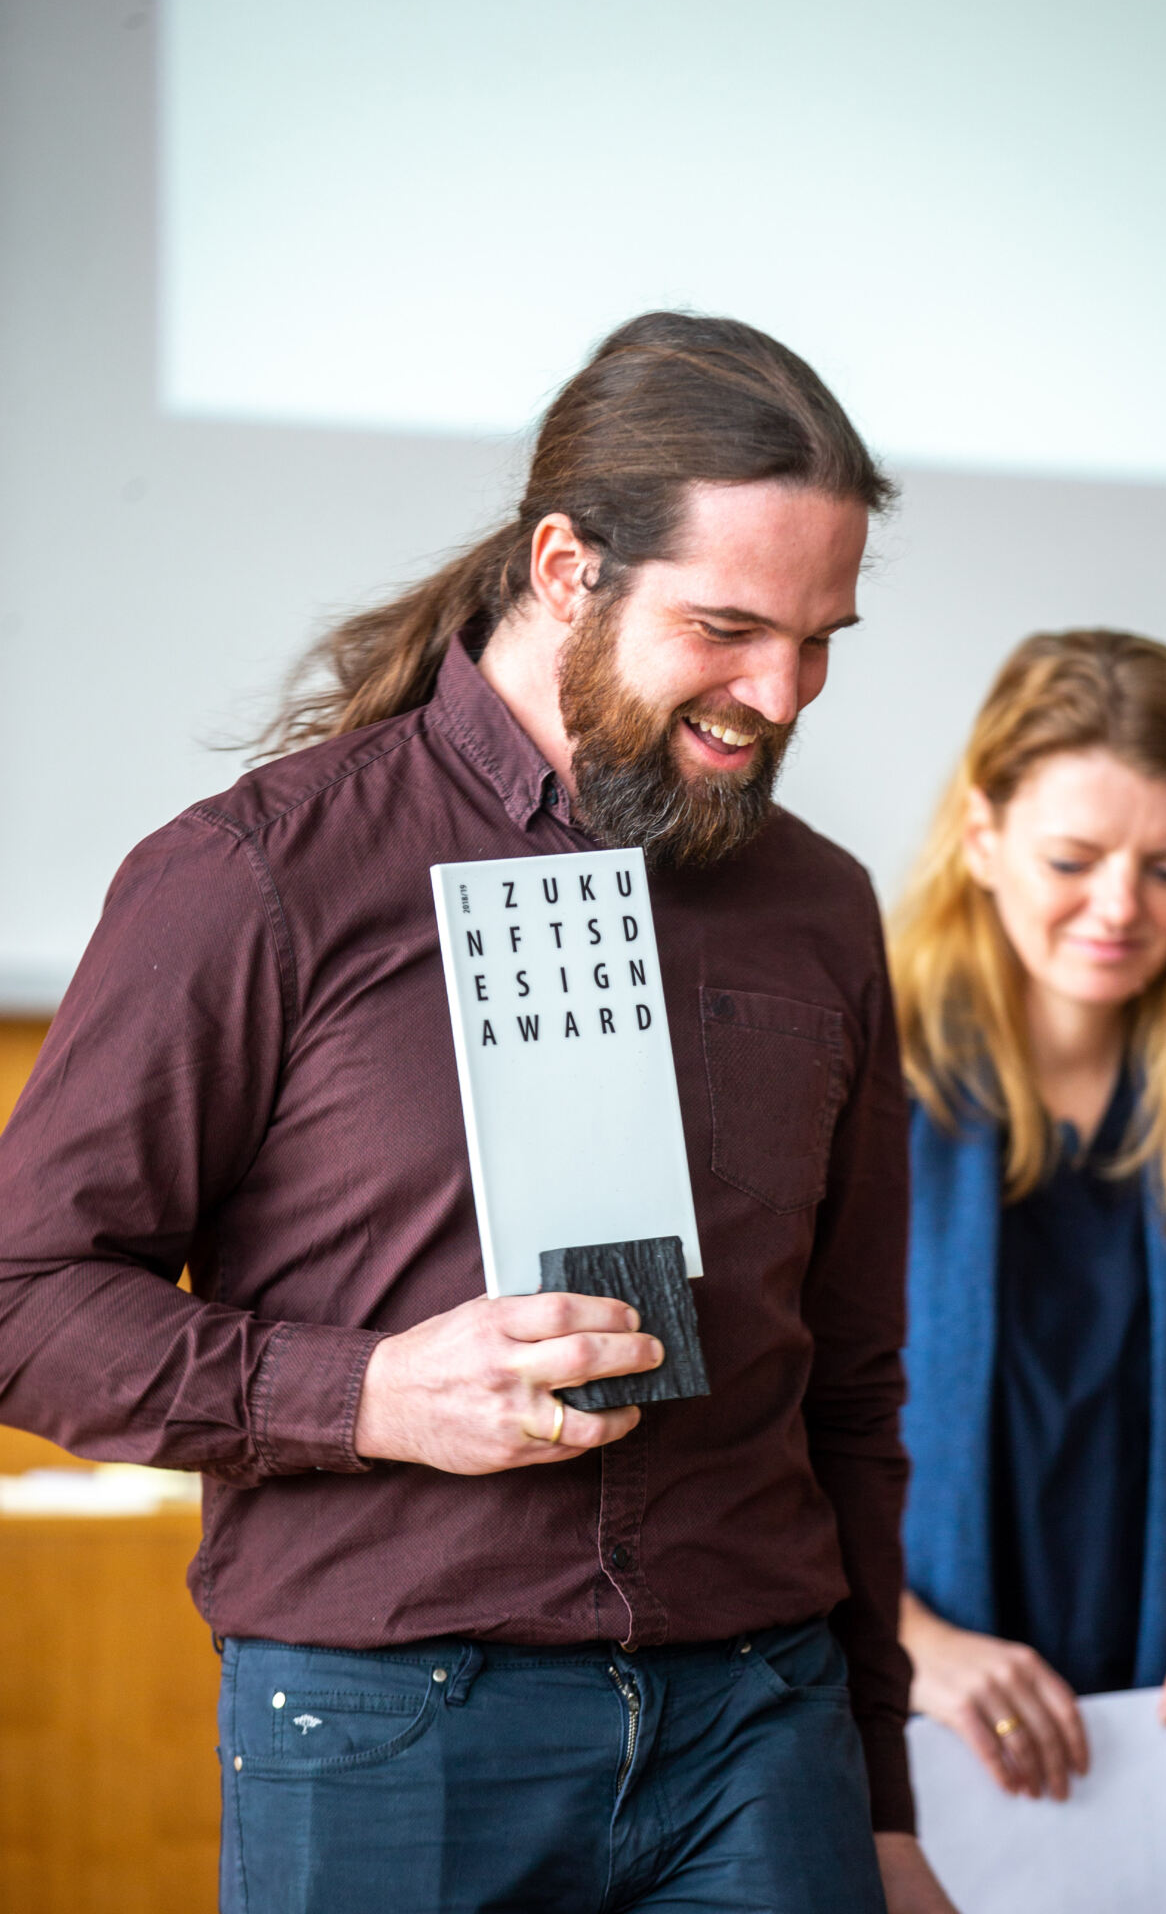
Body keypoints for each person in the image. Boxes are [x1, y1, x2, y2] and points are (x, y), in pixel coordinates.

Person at [0, 313, 956, 1913]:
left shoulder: (824, 911)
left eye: (821, 639)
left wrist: (883, 1793)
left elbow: (851, 1387)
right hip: (389, 1727)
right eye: (728, 628)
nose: (780, 696)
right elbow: (23, 1301)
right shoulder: (259, 879)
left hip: (767, 1728)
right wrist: (368, 1393)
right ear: (568, 565)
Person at [891, 628, 1166, 1807]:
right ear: (981, 837)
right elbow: (749, 1441)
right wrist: (908, 1642)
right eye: (1073, 859)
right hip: (912, 1745)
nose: (1119, 909)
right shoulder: (850, 1090)